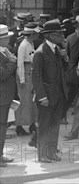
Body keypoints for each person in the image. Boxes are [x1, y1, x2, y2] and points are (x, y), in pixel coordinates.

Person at [32, 19, 69, 163]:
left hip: (58, 94)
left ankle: (52, 152)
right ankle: (42, 154)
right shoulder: (40, 52)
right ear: (49, 35)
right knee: (44, 126)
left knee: (54, 125)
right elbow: (37, 77)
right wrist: (42, 97)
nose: (61, 36)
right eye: (58, 34)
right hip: (46, 96)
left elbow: (62, 71)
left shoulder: (56, 50)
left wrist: (65, 58)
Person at [15, 23, 38, 137]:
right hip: (25, 72)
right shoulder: (23, 45)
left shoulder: (30, 43)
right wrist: (22, 79)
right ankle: (19, 125)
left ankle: (31, 123)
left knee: (31, 100)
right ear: (31, 34)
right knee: (25, 100)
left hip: (30, 71)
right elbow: (20, 62)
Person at [0, 25, 17, 167]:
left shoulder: (5, 51)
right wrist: (12, 62)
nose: (8, 39)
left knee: (3, 126)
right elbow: (2, 75)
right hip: (2, 96)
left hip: (6, 96)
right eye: (5, 38)